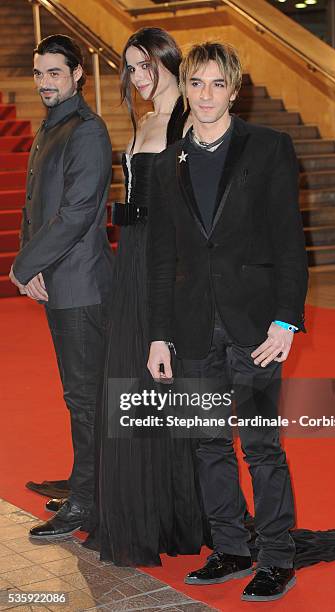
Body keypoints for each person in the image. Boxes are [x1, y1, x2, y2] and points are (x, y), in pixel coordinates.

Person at [147, 41, 308, 601]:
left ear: (235, 91)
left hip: (256, 325)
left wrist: (286, 320)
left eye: (218, 84)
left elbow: (290, 240)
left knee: (262, 443)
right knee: (207, 443)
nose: (207, 95)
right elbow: (162, 258)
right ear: (185, 88)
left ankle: (278, 556)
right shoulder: (167, 163)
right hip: (192, 328)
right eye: (197, 84)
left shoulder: (268, 148)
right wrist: (159, 334)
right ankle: (232, 546)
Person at [82, 27, 212, 567]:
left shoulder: (187, 117)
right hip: (131, 258)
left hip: (168, 266)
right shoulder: (144, 120)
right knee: (132, 383)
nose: (136, 78)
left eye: (145, 66)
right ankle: (148, 512)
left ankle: (170, 513)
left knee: (159, 384)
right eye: (130, 68)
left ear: (168, 62)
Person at [9, 34, 113, 538]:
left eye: (55, 72)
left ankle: (89, 502)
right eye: (39, 72)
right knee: (78, 395)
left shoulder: (87, 132)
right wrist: (37, 268)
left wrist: (24, 265)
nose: (45, 81)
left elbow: (75, 215)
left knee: (87, 397)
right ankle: (83, 479)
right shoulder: (54, 127)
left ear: (78, 76)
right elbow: (38, 207)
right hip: (60, 281)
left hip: (84, 286)